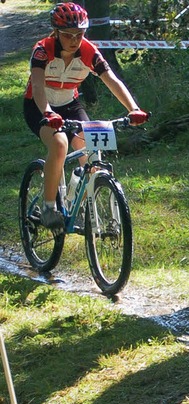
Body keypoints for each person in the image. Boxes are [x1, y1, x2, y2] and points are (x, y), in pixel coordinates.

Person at [23, 2, 149, 232]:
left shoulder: (89, 51)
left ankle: (96, 211)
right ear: (57, 33)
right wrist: (48, 112)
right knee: (60, 143)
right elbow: (38, 87)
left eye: (80, 34)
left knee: (92, 150)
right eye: (69, 35)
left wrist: (133, 109)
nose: (75, 40)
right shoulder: (42, 49)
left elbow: (111, 79)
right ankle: (49, 206)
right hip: (39, 105)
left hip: (70, 104)